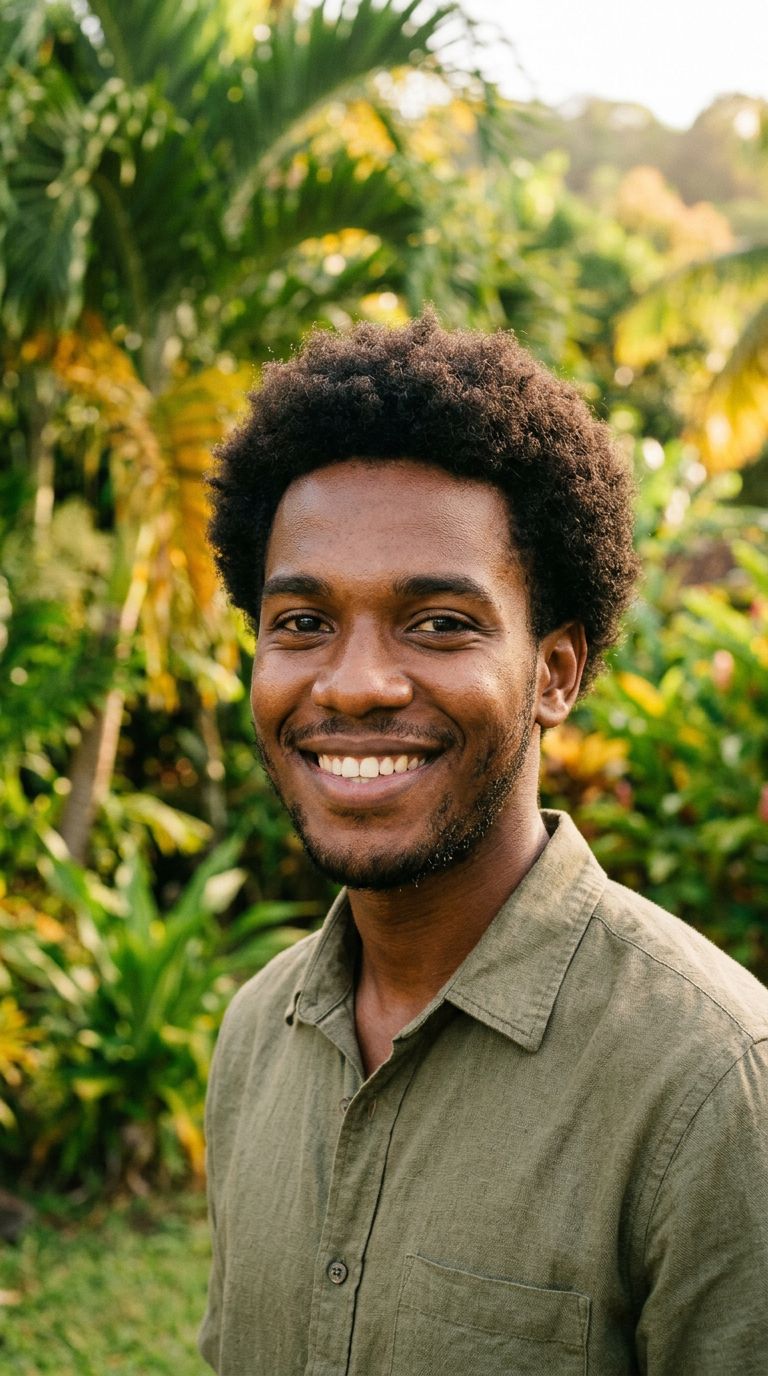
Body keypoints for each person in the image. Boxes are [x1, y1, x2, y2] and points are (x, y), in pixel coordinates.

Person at [199, 313, 768, 1375]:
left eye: (439, 623)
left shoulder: (713, 1087)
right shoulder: (254, 1038)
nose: (355, 684)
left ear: (554, 673)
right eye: (303, 622)